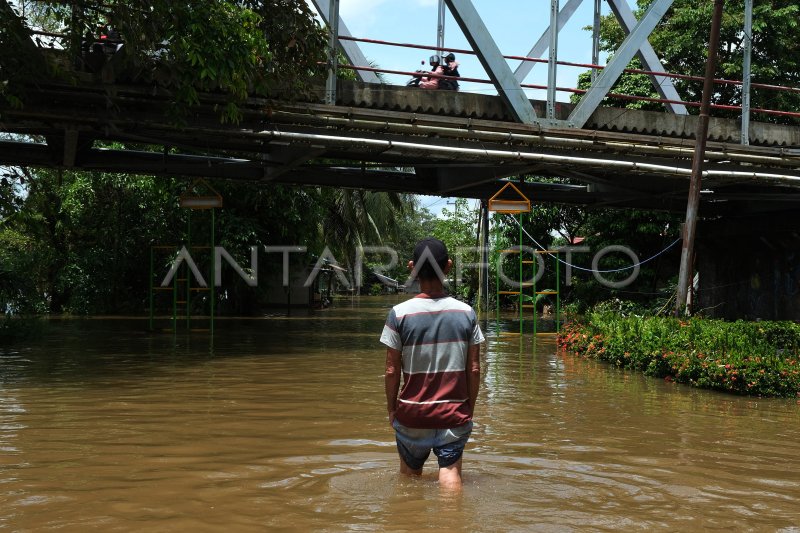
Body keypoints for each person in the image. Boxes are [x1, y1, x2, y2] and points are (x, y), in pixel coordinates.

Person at [380, 237, 484, 489]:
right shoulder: (466, 313)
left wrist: (393, 410)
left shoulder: (399, 314)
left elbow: (391, 370)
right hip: (453, 413)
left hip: (412, 414)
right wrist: (468, 408)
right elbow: (474, 369)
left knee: (408, 479)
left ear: (412, 268)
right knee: (450, 476)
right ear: (448, 267)